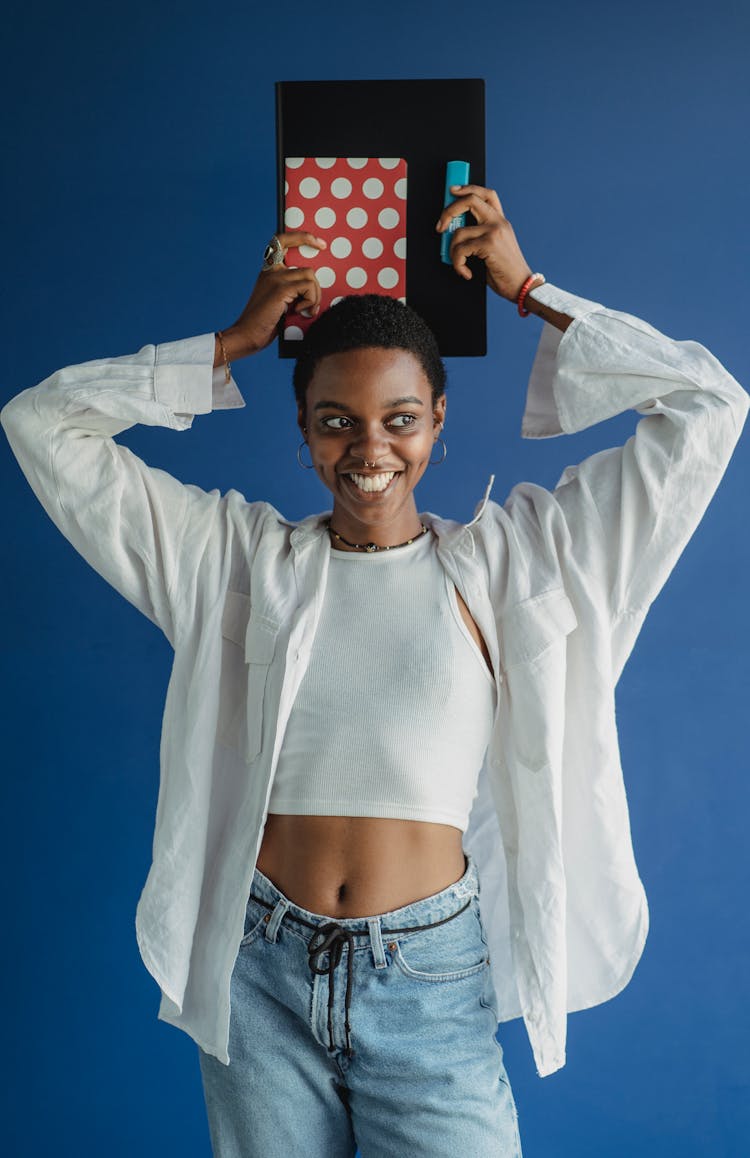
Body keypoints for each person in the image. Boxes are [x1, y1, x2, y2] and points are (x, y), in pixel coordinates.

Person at [1, 183, 746, 1158]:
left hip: (429, 978)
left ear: (437, 421)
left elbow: (709, 406)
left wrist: (531, 290)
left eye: (400, 420)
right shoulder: (233, 560)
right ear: (305, 433)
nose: (370, 450)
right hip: (257, 971)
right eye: (335, 421)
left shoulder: (519, 565)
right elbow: (41, 424)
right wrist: (227, 345)